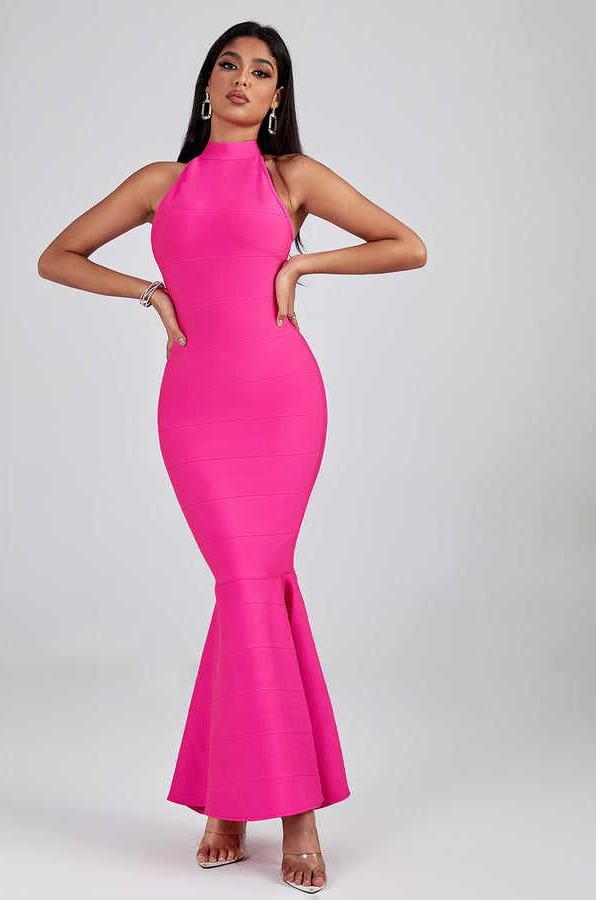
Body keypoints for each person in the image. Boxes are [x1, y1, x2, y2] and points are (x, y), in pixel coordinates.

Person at [38, 19, 426, 894]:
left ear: (279, 95)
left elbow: (408, 245)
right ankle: (249, 800)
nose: (243, 80)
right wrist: (149, 292)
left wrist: (301, 269)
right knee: (246, 588)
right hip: (196, 408)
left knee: (252, 587)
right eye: (229, 65)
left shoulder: (293, 178)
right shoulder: (160, 183)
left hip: (282, 401)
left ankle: (274, 810)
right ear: (208, 82)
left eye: (262, 71)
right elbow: (55, 257)